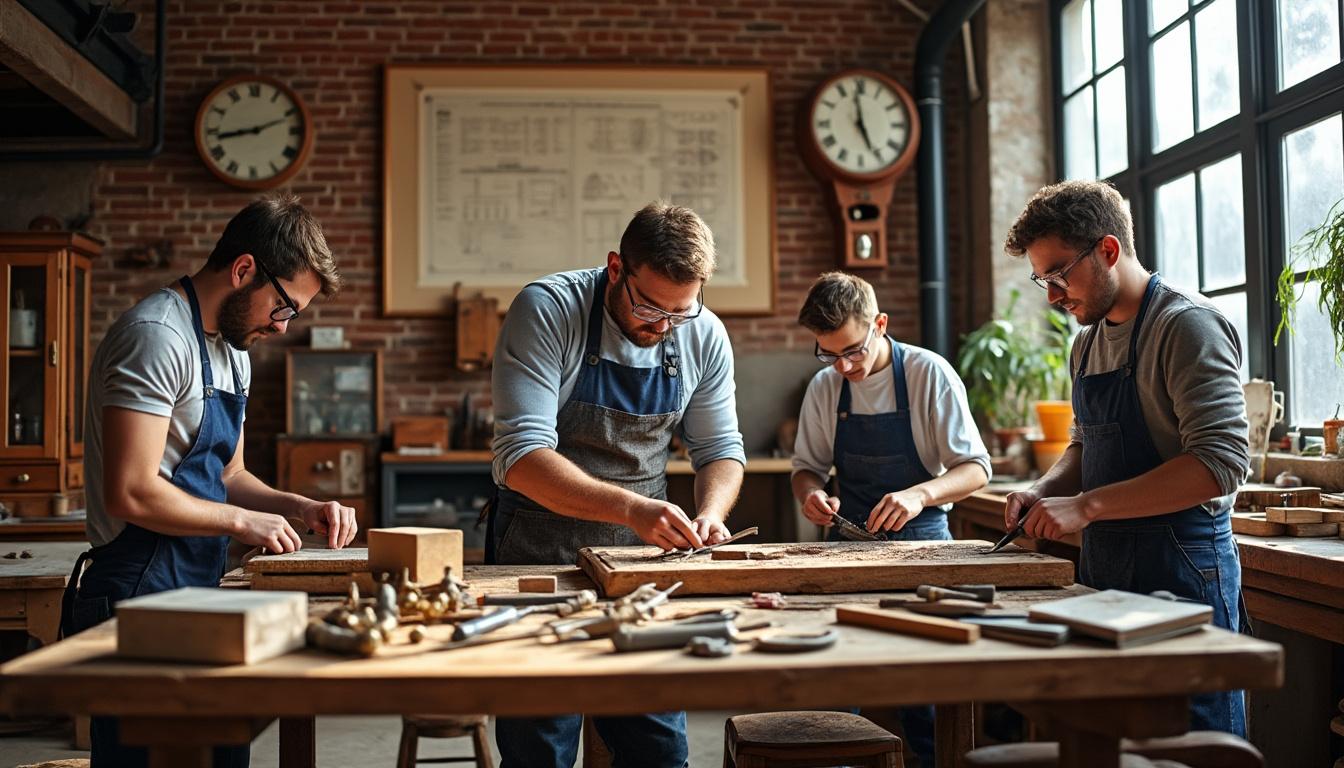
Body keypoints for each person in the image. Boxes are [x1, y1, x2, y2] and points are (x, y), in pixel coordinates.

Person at [61, 195, 357, 768]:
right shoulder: (156, 335)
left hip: (197, 582)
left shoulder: (231, 350)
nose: (282, 325)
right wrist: (244, 521)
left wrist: (299, 506)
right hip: (135, 586)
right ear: (244, 270)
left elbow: (229, 474)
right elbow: (131, 489)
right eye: (284, 307)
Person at [489, 201, 746, 767]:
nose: (663, 326)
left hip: (642, 564)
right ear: (615, 268)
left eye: (682, 311)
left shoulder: (700, 333)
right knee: (540, 748)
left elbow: (721, 451)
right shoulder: (550, 309)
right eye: (650, 307)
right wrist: (632, 508)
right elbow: (522, 456)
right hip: (538, 553)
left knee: (656, 747)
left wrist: (712, 512)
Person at [1002, 179, 1250, 735]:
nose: (1052, 296)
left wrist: (1086, 507)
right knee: (1110, 743)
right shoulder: (1087, 341)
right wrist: (1047, 490)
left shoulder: (1185, 325)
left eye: (1060, 274)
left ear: (1109, 251)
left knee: (1189, 744)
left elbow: (1221, 462)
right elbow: (1086, 442)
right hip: (1105, 572)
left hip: (1182, 568)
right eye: (1043, 279)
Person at [789, 271, 991, 764]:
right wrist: (812, 495)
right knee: (835, 680)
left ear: (879, 324)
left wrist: (920, 495)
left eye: (852, 350)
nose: (843, 366)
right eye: (829, 354)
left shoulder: (928, 374)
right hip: (846, 546)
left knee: (924, 688)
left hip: (923, 544)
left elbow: (976, 469)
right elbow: (806, 470)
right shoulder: (824, 388)